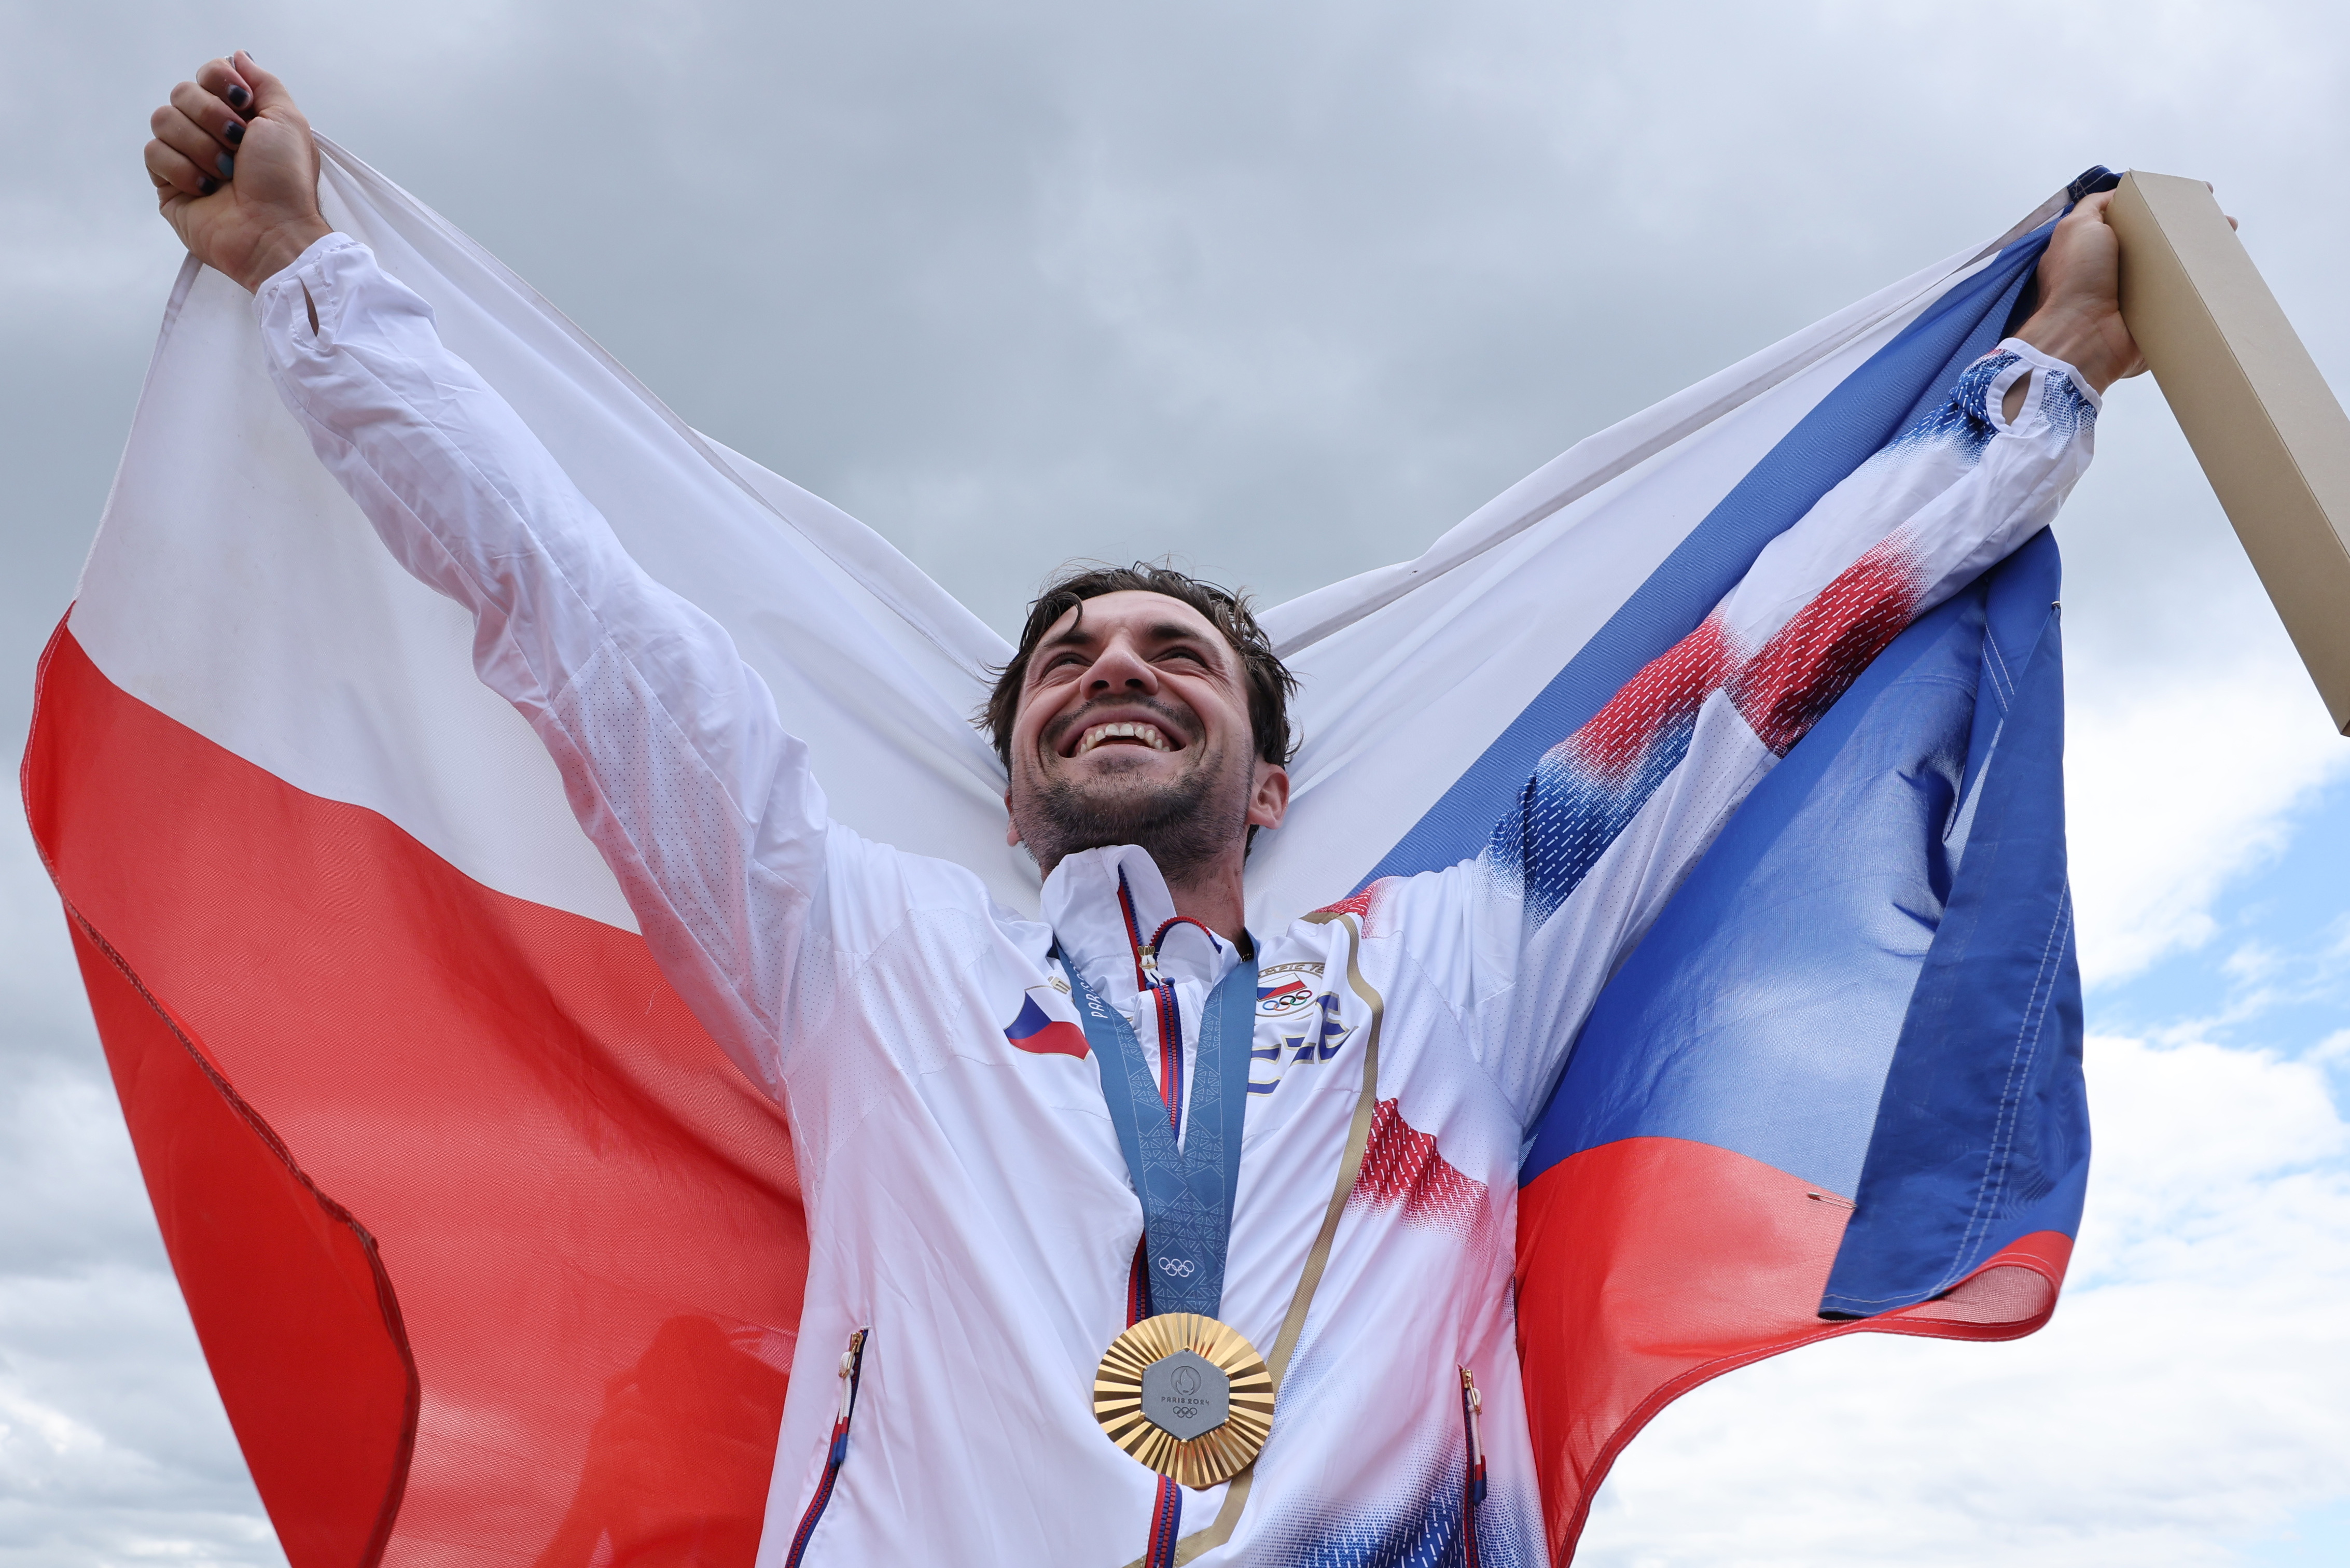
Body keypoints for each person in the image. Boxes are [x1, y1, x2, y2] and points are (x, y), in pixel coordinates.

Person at [144, 51, 2140, 1567]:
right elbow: (574, 615)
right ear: (1011, 784)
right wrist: (306, 274)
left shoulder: (1453, 952)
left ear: (1268, 779)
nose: (1116, 666)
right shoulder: (853, 946)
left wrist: (2037, 388)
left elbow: (1729, 690)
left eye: (1175, 655)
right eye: (1069, 661)